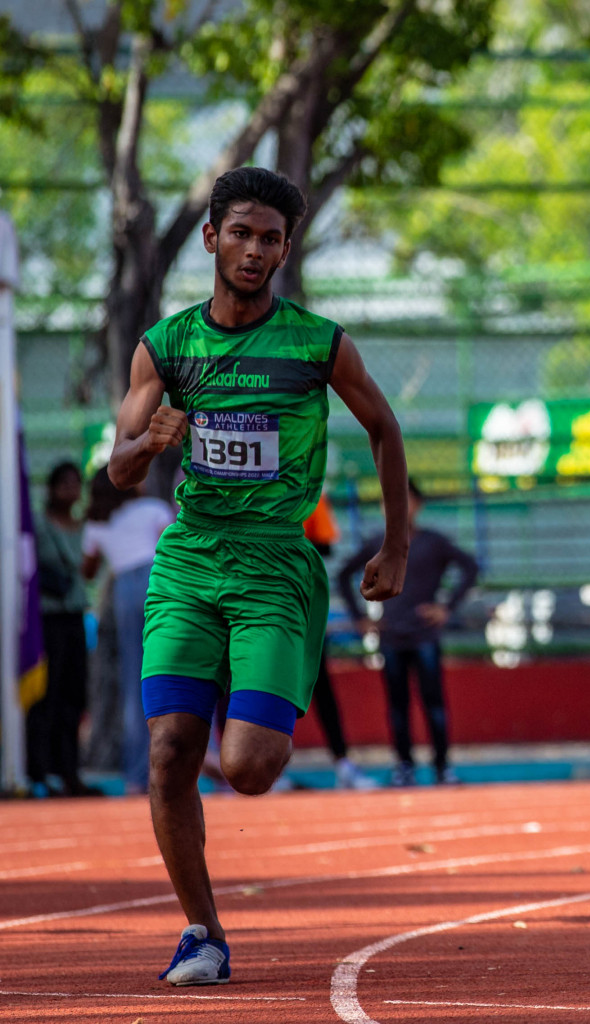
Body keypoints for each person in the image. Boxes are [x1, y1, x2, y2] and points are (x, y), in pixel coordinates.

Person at [106, 166, 409, 985]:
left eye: (270, 238)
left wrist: (396, 547)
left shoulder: (318, 343)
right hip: (190, 560)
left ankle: (249, 694)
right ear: (210, 238)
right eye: (239, 232)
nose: (253, 249)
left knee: (248, 769)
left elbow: (384, 429)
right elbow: (118, 471)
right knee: (170, 752)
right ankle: (202, 932)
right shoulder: (164, 346)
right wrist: (148, 442)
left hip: (276, 564)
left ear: (285, 249)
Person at [338, 478, 478, 788]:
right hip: (391, 637)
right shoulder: (378, 543)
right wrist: (360, 619)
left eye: (405, 501)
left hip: (425, 636)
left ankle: (443, 768)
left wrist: (447, 607)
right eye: (389, 502)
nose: (397, 508)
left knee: (435, 704)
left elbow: (470, 567)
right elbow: (343, 574)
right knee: (397, 707)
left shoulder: (433, 542)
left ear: (418, 505)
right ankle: (404, 767)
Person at [81, 467, 176, 794]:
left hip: (123, 589)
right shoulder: (152, 508)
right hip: (159, 582)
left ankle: (138, 777)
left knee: (135, 683)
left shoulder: (98, 523)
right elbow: (175, 549)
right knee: (176, 673)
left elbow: (88, 571)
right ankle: (192, 763)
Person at [28, 461, 100, 797]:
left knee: (74, 696)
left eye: (75, 482)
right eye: (64, 483)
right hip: (49, 619)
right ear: (52, 487)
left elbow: (88, 570)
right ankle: (42, 772)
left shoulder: (85, 526)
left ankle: (70, 772)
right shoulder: (40, 526)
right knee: (48, 696)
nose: (70, 489)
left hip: (74, 617)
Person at [303, 493, 375, 790]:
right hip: (266, 599)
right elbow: (326, 548)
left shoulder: (312, 493)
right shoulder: (309, 489)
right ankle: (259, 765)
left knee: (318, 685)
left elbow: (325, 546)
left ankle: (342, 763)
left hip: (294, 600)